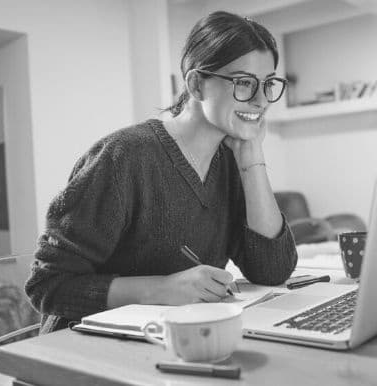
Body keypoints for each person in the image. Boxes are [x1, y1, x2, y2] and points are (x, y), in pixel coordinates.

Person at [25, 10, 298, 334]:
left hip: (173, 342)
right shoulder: (123, 157)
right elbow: (47, 285)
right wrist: (160, 288)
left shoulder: (231, 159)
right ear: (196, 84)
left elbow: (273, 271)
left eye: (268, 85)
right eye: (243, 82)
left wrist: (252, 157)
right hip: (81, 349)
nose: (260, 100)